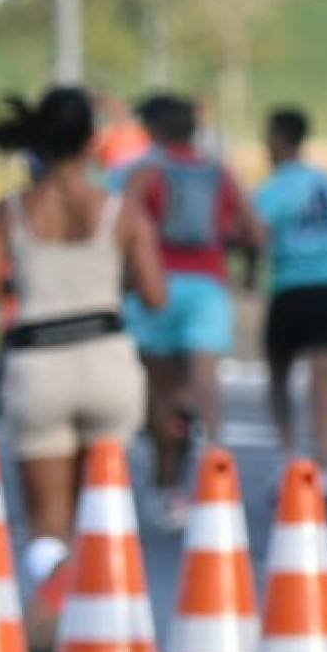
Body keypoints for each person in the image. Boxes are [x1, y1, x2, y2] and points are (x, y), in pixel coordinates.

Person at [0, 88, 166, 649]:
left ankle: (49, 612)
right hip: (107, 358)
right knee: (104, 506)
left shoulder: (14, 210)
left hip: (37, 361)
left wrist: (23, 280)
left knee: (48, 518)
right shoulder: (120, 210)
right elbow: (155, 293)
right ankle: (106, 618)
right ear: (93, 142)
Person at [120, 93, 257, 528]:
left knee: (159, 392)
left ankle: (167, 484)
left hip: (157, 284)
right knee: (201, 384)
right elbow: (253, 231)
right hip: (208, 285)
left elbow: (122, 226)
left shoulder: (145, 173)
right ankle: (216, 468)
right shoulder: (219, 173)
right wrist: (242, 265)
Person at [249, 105, 327, 469]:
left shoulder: (274, 188)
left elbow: (253, 233)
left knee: (279, 375)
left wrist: (250, 267)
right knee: (323, 382)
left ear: (279, 139)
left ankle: (287, 452)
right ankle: (326, 465)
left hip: (290, 286)